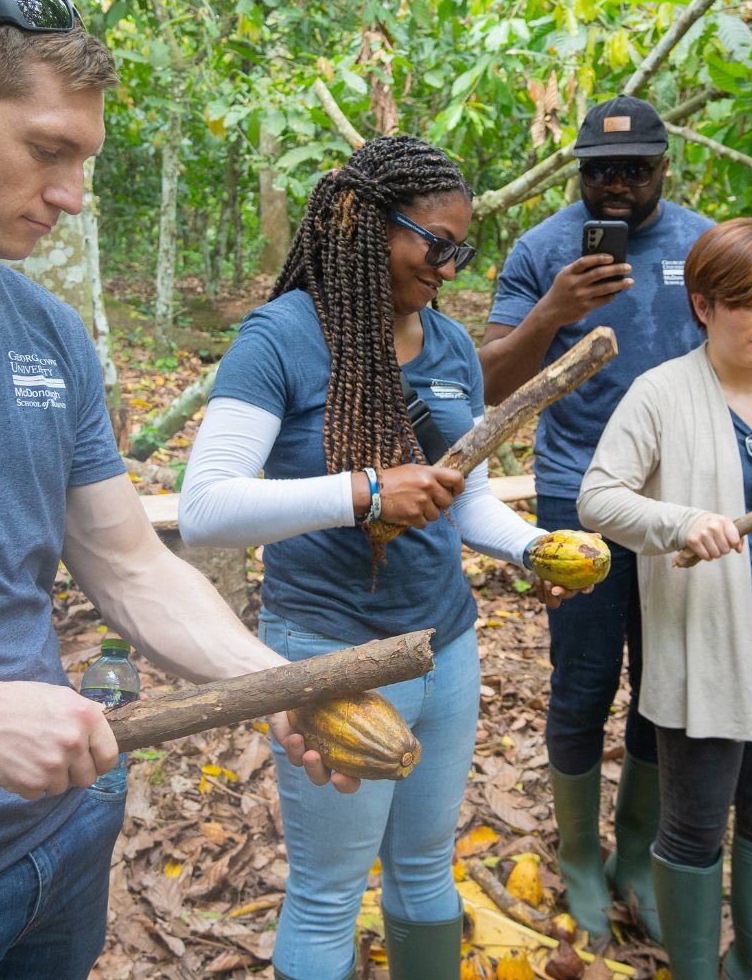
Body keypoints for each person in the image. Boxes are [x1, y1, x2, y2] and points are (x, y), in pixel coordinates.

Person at [0, 0, 350, 980]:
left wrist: (281, 682)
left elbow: (129, 565)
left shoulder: (48, 334)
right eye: (50, 150)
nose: (75, 197)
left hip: (61, 838)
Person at [179, 135, 576, 980]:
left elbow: (460, 493)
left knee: (429, 866)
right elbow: (206, 507)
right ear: (361, 221)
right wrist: (361, 491)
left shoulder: (449, 346)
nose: (450, 268)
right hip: (332, 650)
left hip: (446, 641)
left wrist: (530, 546)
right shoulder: (280, 339)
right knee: (327, 892)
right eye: (436, 244)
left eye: (462, 249)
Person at [577, 218, 752, 978]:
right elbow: (598, 499)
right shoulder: (660, 393)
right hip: (705, 651)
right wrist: (679, 523)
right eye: (750, 304)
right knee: (695, 829)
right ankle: (697, 968)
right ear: (704, 306)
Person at [478, 94, 714, 938]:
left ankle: (636, 852)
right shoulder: (542, 250)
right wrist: (555, 311)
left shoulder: (701, 244)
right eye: (598, 170)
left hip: (680, 504)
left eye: (634, 169)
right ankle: (579, 858)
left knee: (663, 687)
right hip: (578, 498)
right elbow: (490, 385)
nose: (615, 186)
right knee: (582, 685)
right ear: (577, 169)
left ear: (664, 167)